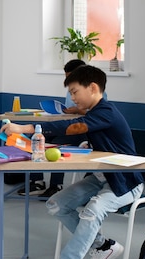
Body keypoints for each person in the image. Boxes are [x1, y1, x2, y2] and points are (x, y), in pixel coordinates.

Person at [0, 65, 143, 259]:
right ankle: (105, 246)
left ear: (93, 88)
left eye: (75, 91)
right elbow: (75, 123)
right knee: (55, 204)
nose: (73, 97)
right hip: (101, 179)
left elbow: (72, 127)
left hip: (126, 183)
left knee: (92, 211)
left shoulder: (106, 112)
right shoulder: (93, 113)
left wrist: (27, 127)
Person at [17, 59, 89, 199]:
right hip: (65, 127)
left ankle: (56, 185)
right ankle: (37, 181)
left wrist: (78, 111)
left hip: (80, 132)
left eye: (69, 76)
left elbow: (93, 115)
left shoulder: (95, 92)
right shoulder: (70, 91)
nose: (67, 79)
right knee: (36, 141)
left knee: (58, 146)